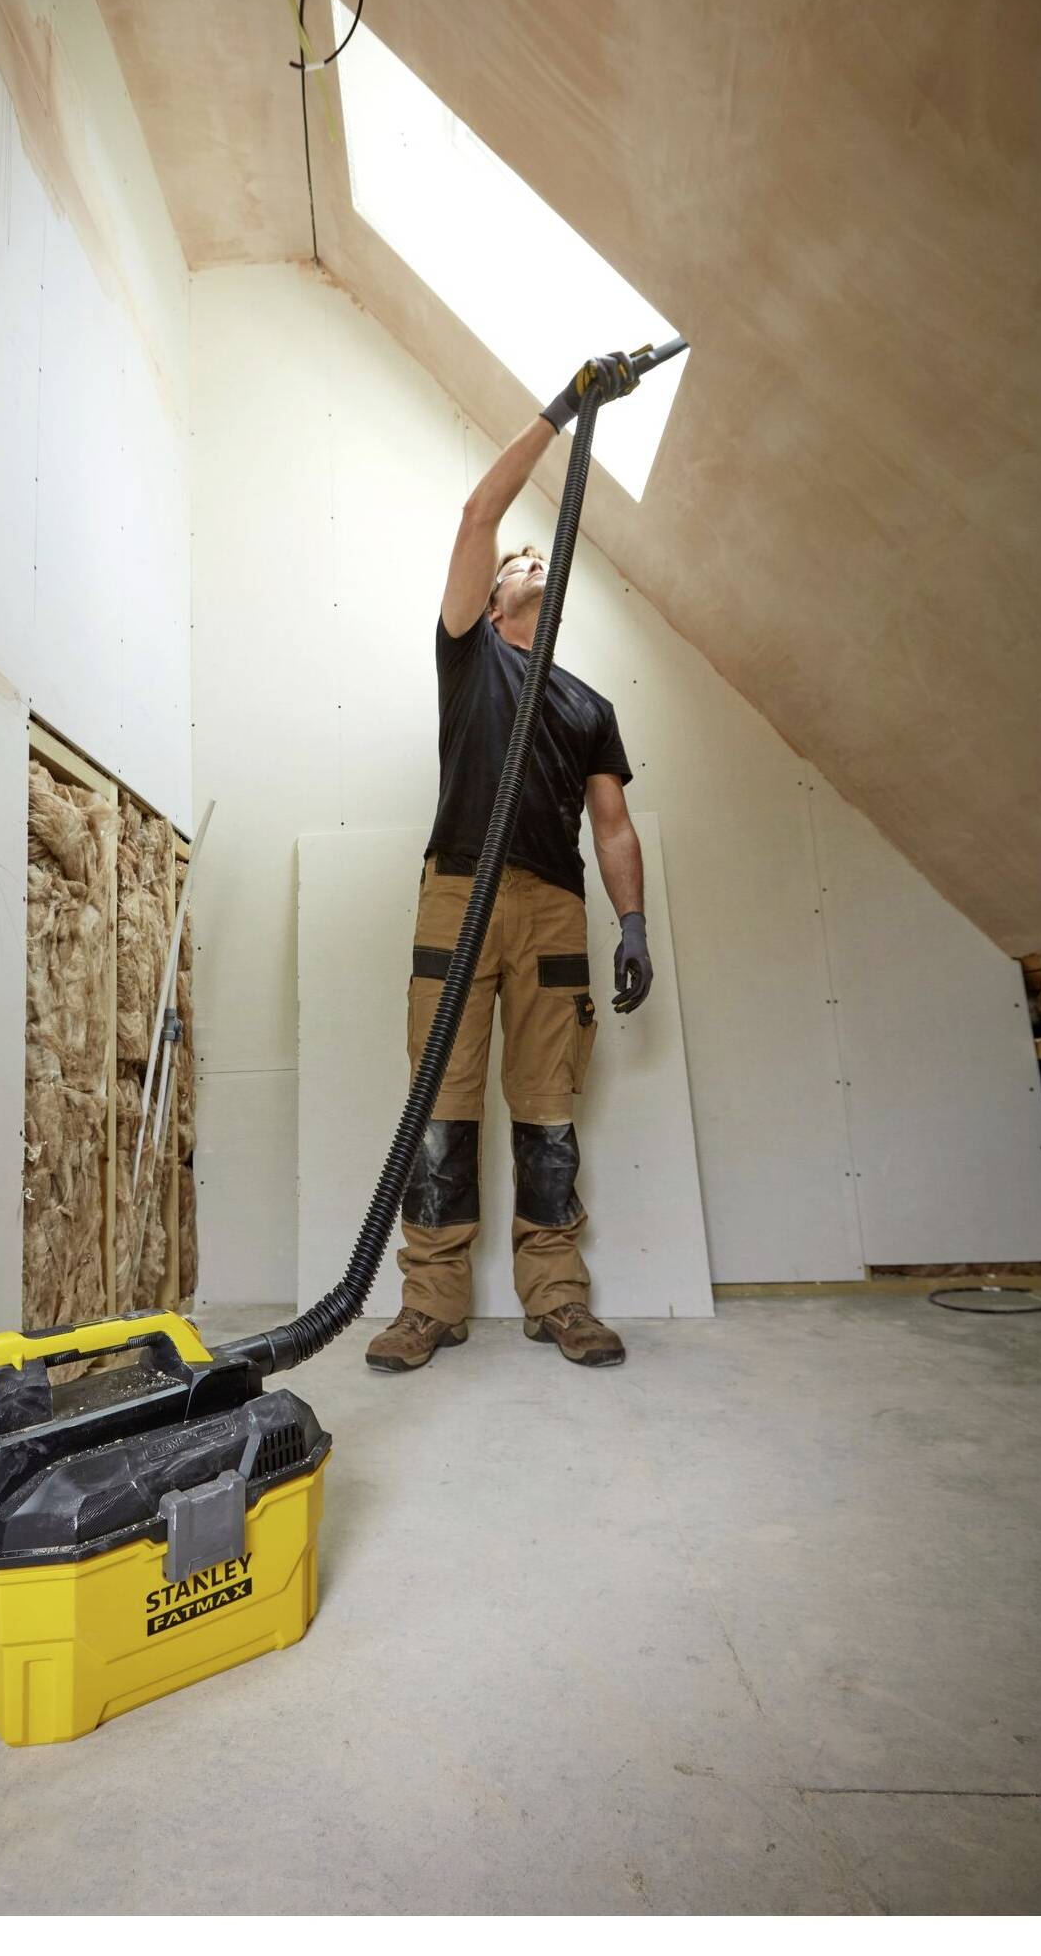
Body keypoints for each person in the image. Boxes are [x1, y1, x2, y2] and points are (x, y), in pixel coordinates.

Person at [366, 359, 653, 1375]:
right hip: (458, 889)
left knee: (546, 1109)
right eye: (516, 558)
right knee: (440, 1107)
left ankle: (558, 1298)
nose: (531, 553)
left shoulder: (584, 705)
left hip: (551, 911)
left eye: (541, 551)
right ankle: (428, 1303)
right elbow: (480, 507)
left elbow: (612, 826)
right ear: (490, 602)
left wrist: (630, 923)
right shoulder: (469, 653)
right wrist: (562, 411)